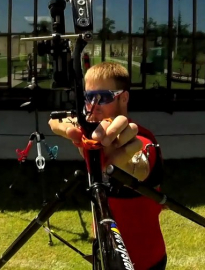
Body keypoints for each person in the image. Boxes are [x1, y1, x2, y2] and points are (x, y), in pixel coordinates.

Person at [48, 61, 167, 270]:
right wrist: (65, 127)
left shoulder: (143, 139)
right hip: (103, 255)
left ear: (124, 97)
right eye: (88, 97)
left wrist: (121, 160)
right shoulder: (89, 132)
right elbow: (55, 121)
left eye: (103, 97)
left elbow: (139, 163)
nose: (92, 106)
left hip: (145, 261)